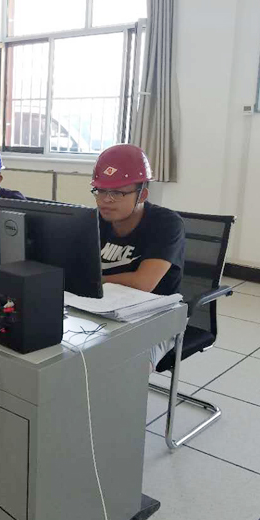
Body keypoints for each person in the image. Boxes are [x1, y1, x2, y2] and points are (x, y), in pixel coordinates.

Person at [91, 143, 186, 371]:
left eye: (117, 193)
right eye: (100, 191)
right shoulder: (93, 221)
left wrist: (92, 280)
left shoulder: (166, 224)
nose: (105, 200)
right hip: (101, 308)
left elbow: (143, 283)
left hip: (155, 317)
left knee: (126, 370)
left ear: (142, 194)